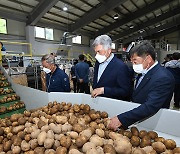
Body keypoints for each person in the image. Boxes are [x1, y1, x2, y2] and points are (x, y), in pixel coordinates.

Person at [108, 40, 175, 130]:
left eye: (135, 61)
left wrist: (121, 119)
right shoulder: (143, 71)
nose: (133, 65)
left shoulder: (163, 77)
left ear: (148, 59)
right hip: (137, 121)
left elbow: (150, 106)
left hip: (153, 124)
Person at [91, 35, 131, 101]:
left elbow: (125, 91)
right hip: (98, 102)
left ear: (109, 50)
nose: (96, 55)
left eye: (99, 52)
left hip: (112, 104)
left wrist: (104, 90)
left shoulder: (120, 67)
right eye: (96, 52)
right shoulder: (98, 62)